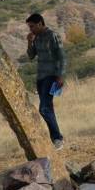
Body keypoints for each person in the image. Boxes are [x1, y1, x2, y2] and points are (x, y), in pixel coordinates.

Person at [26, 12, 67, 150]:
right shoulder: (36, 38)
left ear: (40, 23)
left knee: (44, 108)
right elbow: (31, 56)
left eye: (32, 26)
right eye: (29, 27)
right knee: (47, 108)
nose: (31, 29)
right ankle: (56, 140)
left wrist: (61, 75)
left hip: (52, 76)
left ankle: (58, 139)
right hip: (40, 78)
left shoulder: (52, 35)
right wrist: (29, 41)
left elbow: (62, 57)